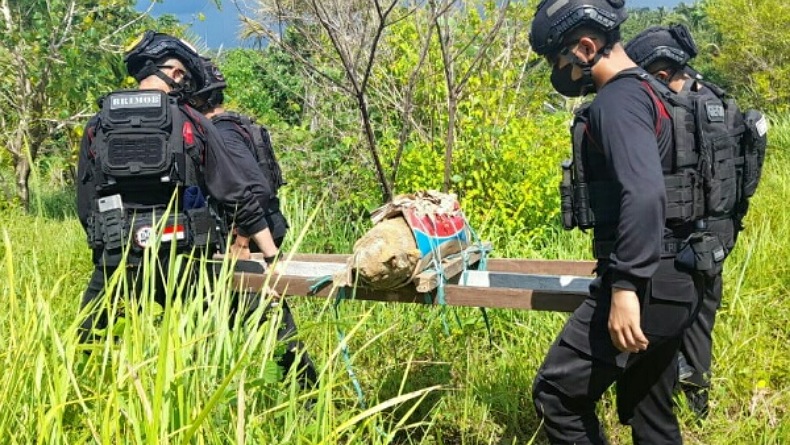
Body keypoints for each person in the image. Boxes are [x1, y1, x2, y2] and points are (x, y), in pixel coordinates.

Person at [528, 1, 704, 443]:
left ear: (586, 46)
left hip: (646, 286)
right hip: (678, 280)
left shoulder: (617, 100)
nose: (559, 70)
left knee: (557, 394)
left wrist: (625, 287)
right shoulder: (653, 89)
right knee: (649, 409)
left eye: (559, 59)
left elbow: (644, 193)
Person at [76, 31, 282, 345]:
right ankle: (302, 386)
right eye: (184, 77)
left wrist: (107, 247)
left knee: (89, 344)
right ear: (175, 73)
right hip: (184, 259)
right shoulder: (192, 122)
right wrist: (271, 256)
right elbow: (236, 193)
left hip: (119, 258)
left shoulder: (97, 124)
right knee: (224, 337)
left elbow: (86, 202)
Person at [625, 24, 766, 418]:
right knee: (702, 315)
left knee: (662, 316)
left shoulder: (675, 113)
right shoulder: (725, 105)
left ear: (664, 72)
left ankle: (657, 400)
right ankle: (697, 401)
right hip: (721, 234)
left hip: (677, 237)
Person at [188, 57, 317, 388]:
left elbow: (255, 189)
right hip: (261, 231)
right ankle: (234, 386)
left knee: (272, 322)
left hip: (252, 242)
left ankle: (305, 393)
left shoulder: (220, 134)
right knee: (234, 318)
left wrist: (242, 241)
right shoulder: (233, 125)